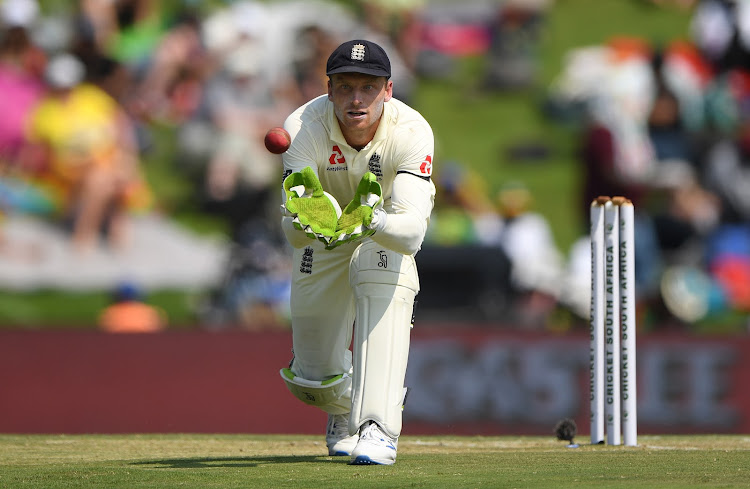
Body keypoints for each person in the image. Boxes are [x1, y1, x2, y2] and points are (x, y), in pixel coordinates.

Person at [277, 39, 435, 465]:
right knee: (311, 380)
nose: (356, 99)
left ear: (388, 90)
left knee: (383, 276)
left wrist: (374, 221)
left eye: (368, 87)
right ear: (329, 90)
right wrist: (303, 218)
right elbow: (293, 232)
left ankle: (378, 428)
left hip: (381, 230)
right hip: (323, 234)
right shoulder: (302, 126)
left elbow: (412, 233)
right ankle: (344, 407)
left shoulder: (411, 131)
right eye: (345, 87)